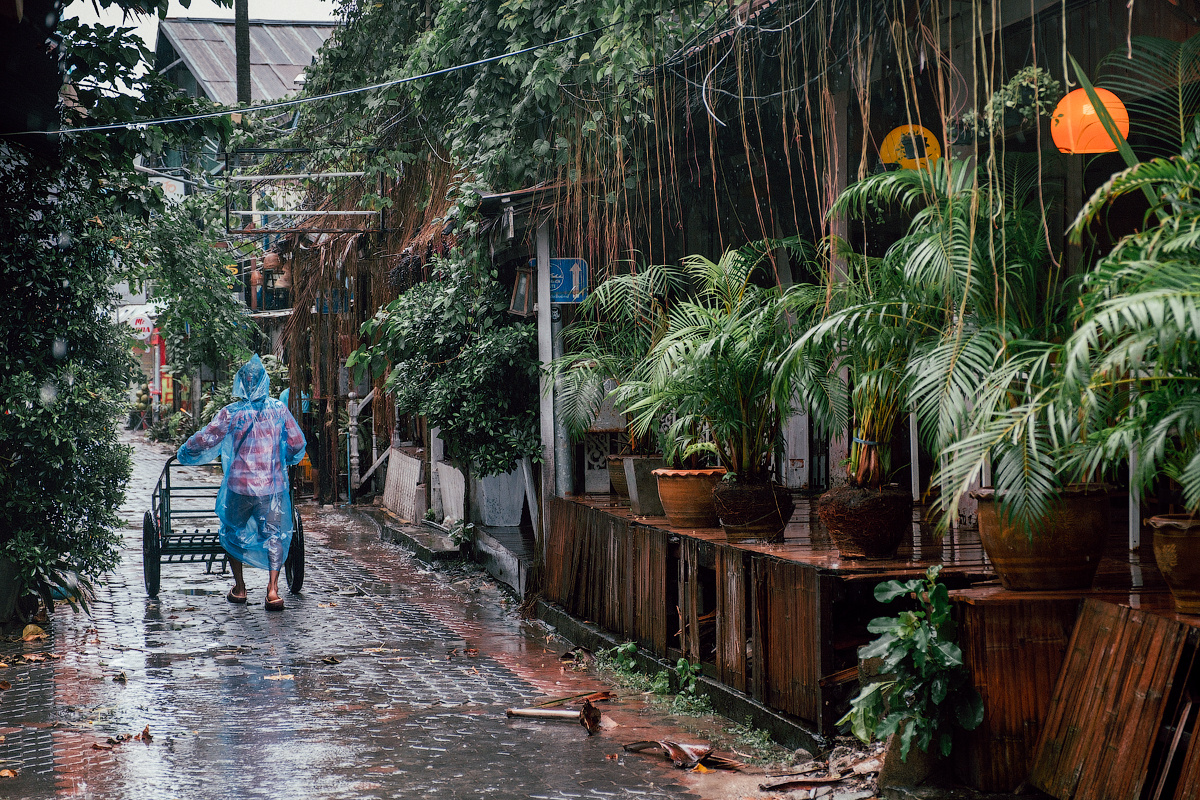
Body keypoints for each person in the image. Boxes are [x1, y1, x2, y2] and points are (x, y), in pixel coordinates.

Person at [178, 355, 306, 610]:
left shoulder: (232, 413)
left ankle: (240, 587)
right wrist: (285, 458)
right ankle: (272, 590)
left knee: (232, 531)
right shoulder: (279, 410)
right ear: (265, 382)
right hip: (272, 488)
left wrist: (185, 451)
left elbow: (207, 439)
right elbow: (297, 443)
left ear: (242, 385)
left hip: (239, 488)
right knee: (275, 536)